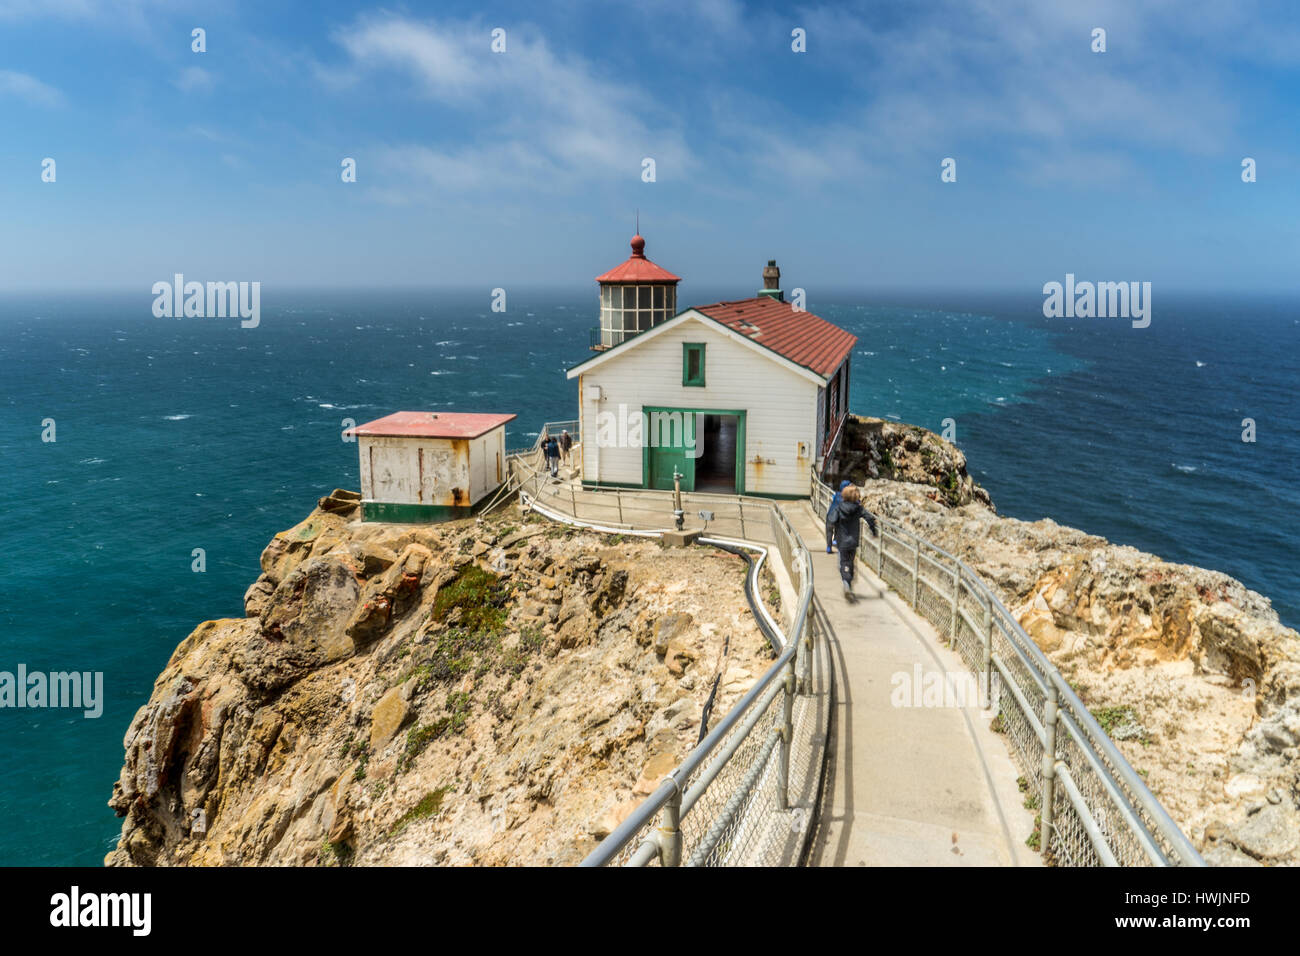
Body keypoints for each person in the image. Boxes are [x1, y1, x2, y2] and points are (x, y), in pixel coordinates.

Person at [826, 485, 877, 596]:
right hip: (853, 541)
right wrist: (873, 531)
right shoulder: (858, 509)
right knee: (850, 562)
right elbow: (869, 518)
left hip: (842, 541)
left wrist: (835, 529)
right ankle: (849, 581)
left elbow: (831, 519)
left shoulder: (839, 508)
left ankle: (846, 584)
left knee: (843, 563)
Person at [826, 479, 851, 553]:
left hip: (830, 515)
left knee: (829, 532)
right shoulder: (847, 497)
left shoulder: (836, 494)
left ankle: (828, 547)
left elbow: (833, 499)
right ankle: (835, 540)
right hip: (839, 517)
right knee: (839, 528)